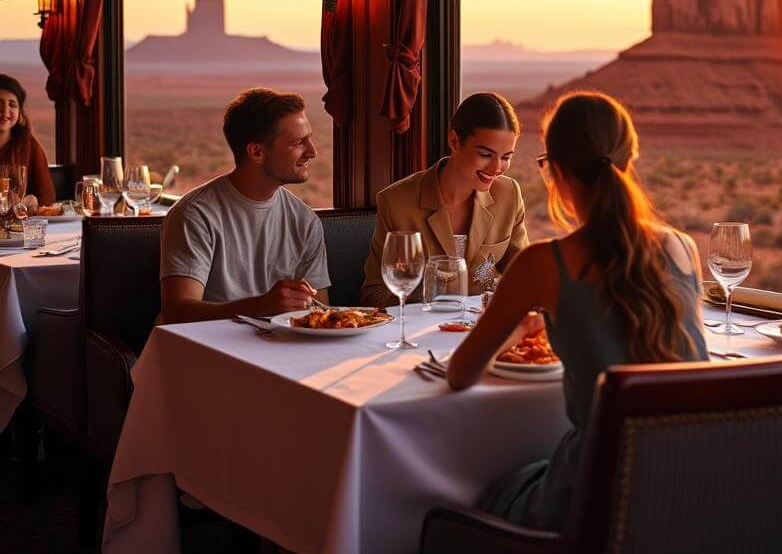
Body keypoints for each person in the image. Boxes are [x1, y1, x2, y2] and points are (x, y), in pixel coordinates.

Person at [447, 91, 708, 530]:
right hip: (689, 486)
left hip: (594, 499)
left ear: (556, 171)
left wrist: (518, 331)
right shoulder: (684, 248)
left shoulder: (545, 264)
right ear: (630, 159)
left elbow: (461, 374)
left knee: (485, 491)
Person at [160, 87, 330, 323]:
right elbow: (177, 312)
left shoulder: (305, 220)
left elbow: (319, 315)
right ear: (257, 152)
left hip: (278, 351)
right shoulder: (195, 214)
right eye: (299, 142)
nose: (312, 151)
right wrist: (259, 306)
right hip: (204, 351)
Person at [359, 92, 528, 307]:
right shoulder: (396, 202)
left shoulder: (509, 194)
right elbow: (373, 293)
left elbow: (525, 276)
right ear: (455, 141)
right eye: (485, 154)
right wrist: (422, 298)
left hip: (484, 330)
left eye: (506, 157)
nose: (497, 168)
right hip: (422, 334)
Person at [0, 74, 56, 207]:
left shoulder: (28, 144)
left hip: (18, 224)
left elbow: (47, 198)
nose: (5, 111)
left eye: (12, 105)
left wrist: (30, 204)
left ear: (20, 113)